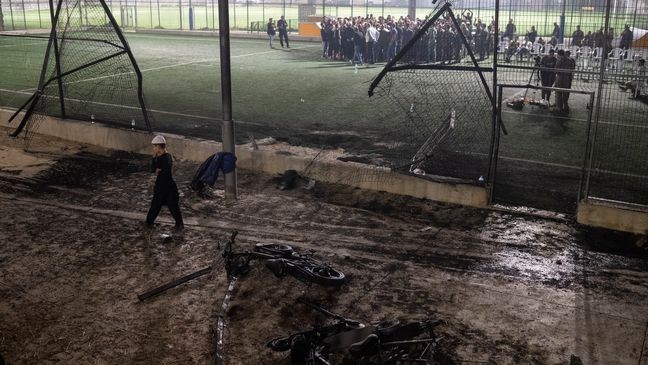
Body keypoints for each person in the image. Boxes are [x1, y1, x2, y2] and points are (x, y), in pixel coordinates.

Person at [146, 135, 184, 230]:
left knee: (170, 206)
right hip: (164, 185)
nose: (153, 148)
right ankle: (149, 222)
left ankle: (179, 224)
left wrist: (157, 167)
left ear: (158, 146)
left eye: (154, 146)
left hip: (166, 186)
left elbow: (162, 170)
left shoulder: (167, 157)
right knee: (157, 205)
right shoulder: (159, 157)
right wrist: (155, 160)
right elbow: (153, 169)